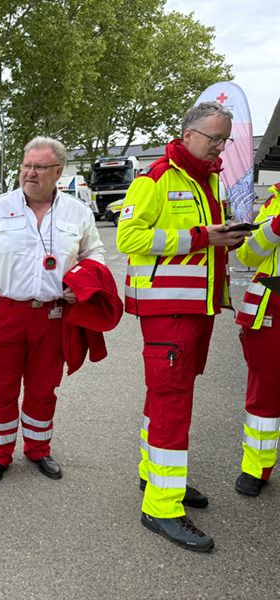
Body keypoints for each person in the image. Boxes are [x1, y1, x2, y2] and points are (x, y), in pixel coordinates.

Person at [117, 101, 252, 552]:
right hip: (168, 310)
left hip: (196, 309)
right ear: (188, 134)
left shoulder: (208, 178)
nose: (221, 147)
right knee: (172, 404)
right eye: (214, 138)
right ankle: (162, 507)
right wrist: (203, 237)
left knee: (165, 397)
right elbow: (129, 237)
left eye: (225, 139)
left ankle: (154, 476)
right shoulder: (156, 178)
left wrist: (226, 235)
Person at [0, 136, 105, 487]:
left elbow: (95, 253)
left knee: (44, 388)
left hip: (52, 315)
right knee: (2, 389)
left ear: (58, 171)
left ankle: (38, 449)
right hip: (4, 312)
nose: (30, 172)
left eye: (39, 167)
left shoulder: (77, 212)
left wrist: (83, 283)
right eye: (26, 165)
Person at [233, 182, 280, 497]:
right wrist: (275, 228)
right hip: (273, 304)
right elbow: (247, 254)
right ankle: (256, 467)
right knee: (265, 390)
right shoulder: (274, 203)